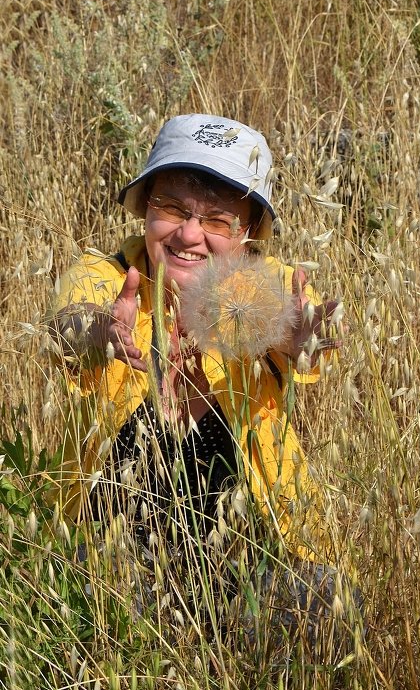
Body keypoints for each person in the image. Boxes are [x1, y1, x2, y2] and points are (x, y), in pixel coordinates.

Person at [50, 113, 357, 651]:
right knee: (115, 622)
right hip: (111, 563)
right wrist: (97, 331)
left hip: (248, 561)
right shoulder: (103, 275)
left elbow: (307, 334)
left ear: (248, 235)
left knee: (331, 603)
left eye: (218, 220)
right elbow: (66, 327)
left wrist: (298, 334)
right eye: (171, 208)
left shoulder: (264, 286)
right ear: (145, 207)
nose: (189, 235)